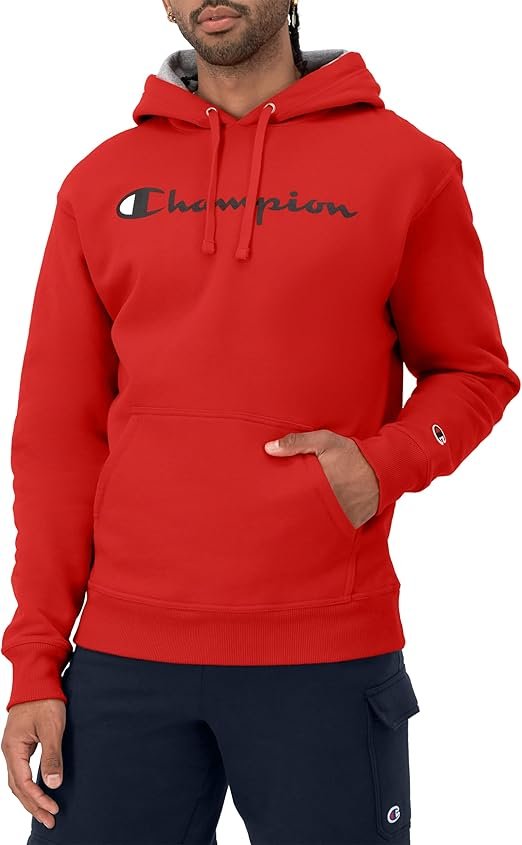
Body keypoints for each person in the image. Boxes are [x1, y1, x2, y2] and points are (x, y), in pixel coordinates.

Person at [1, 2, 519, 843]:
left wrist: (383, 464)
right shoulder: (99, 182)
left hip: (324, 654)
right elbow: (57, 439)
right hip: (123, 661)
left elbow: (473, 372)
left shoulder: (408, 167)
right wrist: (34, 661)